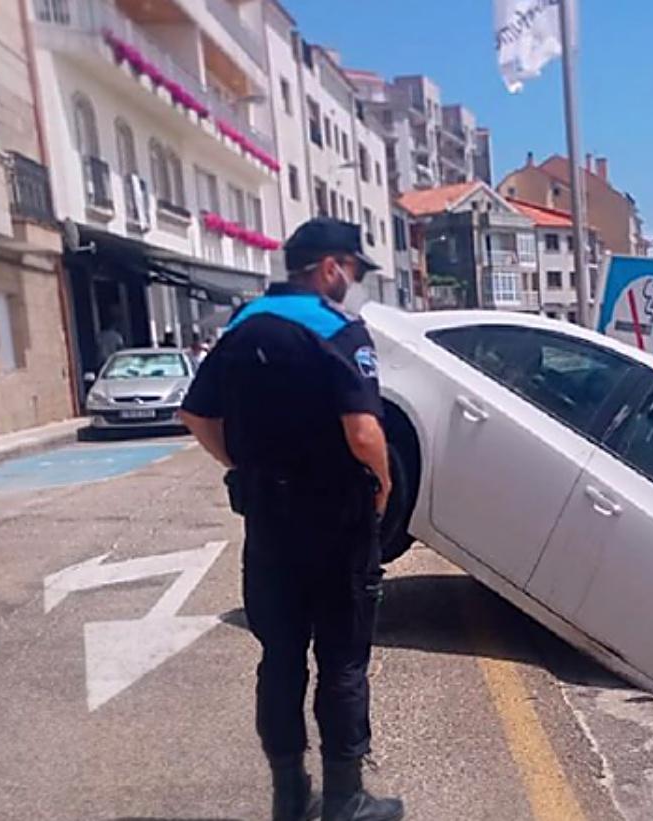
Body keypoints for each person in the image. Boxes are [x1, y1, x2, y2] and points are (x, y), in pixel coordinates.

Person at [178, 218, 402, 821]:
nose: (354, 282)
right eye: (353, 270)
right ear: (330, 267)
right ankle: (345, 798)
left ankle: (288, 797)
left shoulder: (241, 328)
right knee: (342, 660)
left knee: (280, 657)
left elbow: (195, 415)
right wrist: (381, 486)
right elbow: (362, 431)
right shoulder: (338, 330)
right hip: (336, 521)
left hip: (269, 521)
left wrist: (243, 463)